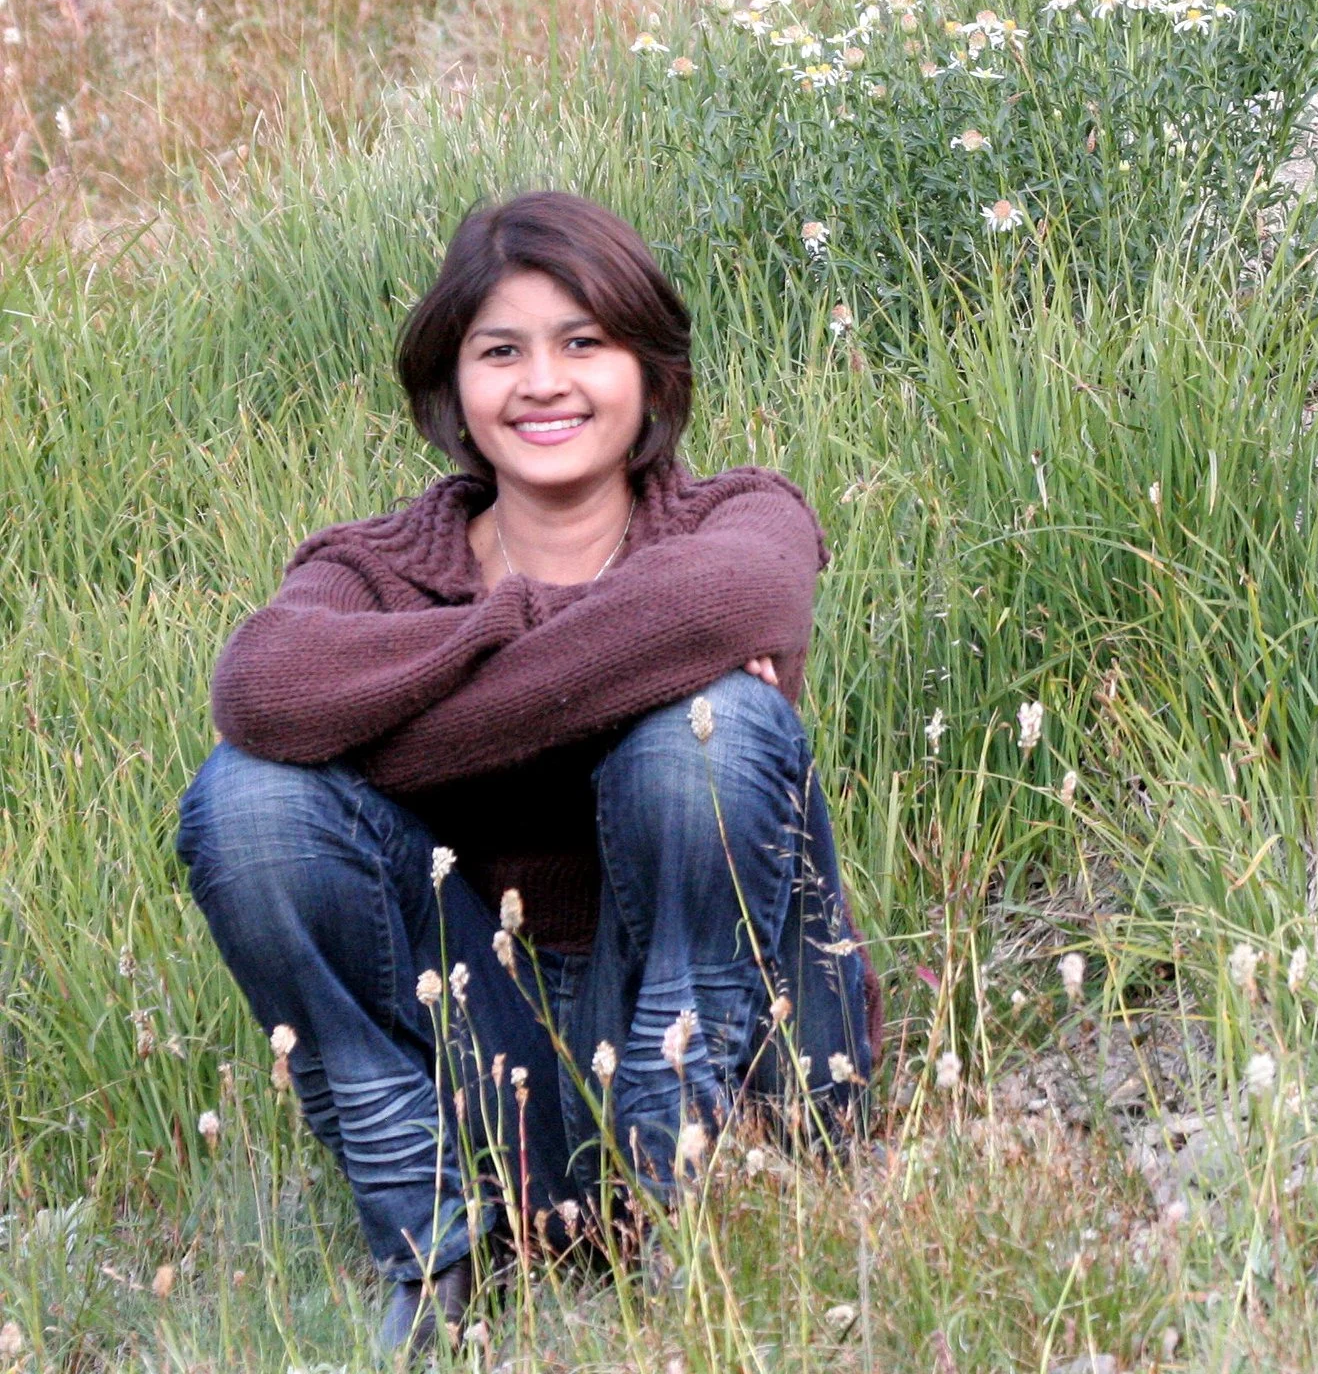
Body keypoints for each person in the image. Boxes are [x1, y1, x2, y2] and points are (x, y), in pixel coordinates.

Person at [177, 192, 880, 1357]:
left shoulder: (735, 517)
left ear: (650, 372)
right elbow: (261, 687)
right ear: (452, 388)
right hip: (484, 1063)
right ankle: (439, 1241)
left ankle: (696, 1205)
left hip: (710, 1040)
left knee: (710, 729)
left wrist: (390, 718)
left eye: (584, 342)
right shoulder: (371, 565)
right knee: (250, 797)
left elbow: (736, 600)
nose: (543, 381)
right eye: (500, 350)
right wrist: (550, 640)